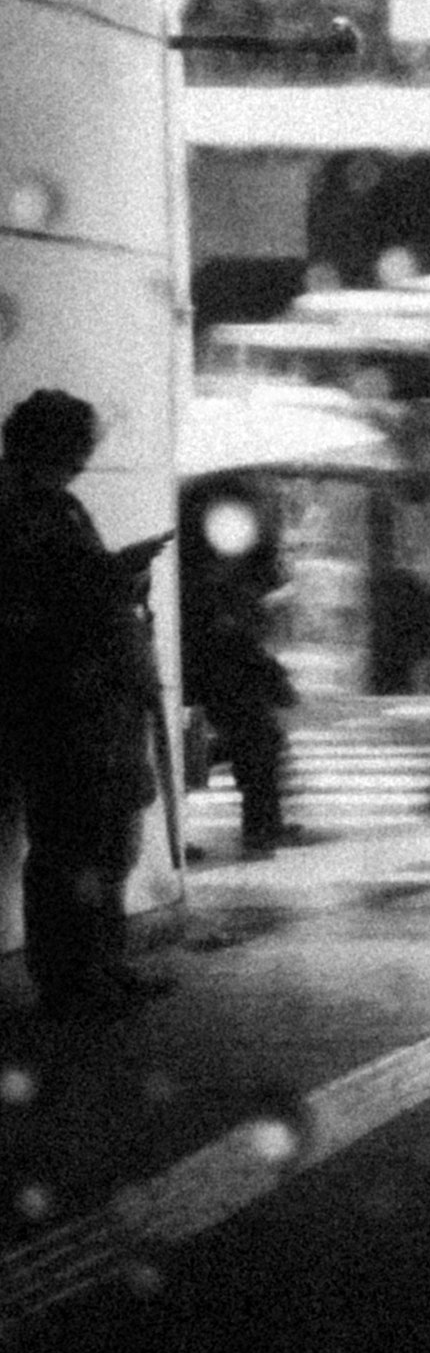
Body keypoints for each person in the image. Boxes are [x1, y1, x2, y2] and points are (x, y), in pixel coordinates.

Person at [3, 390, 169, 1025]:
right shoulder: (22, 509)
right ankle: (71, 980)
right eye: (78, 445)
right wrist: (112, 574)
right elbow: (44, 600)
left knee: (108, 840)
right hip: (60, 701)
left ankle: (102, 965)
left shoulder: (58, 504)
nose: (85, 457)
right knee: (71, 846)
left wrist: (119, 578)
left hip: (100, 697)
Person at [178, 472, 303, 856]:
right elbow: (236, 585)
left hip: (222, 645)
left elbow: (259, 576)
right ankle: (262, 826)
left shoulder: (217, 506)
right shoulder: (220, 510)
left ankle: (265, 822)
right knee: (254, 736)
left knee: (254, 737)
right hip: (220, 647)